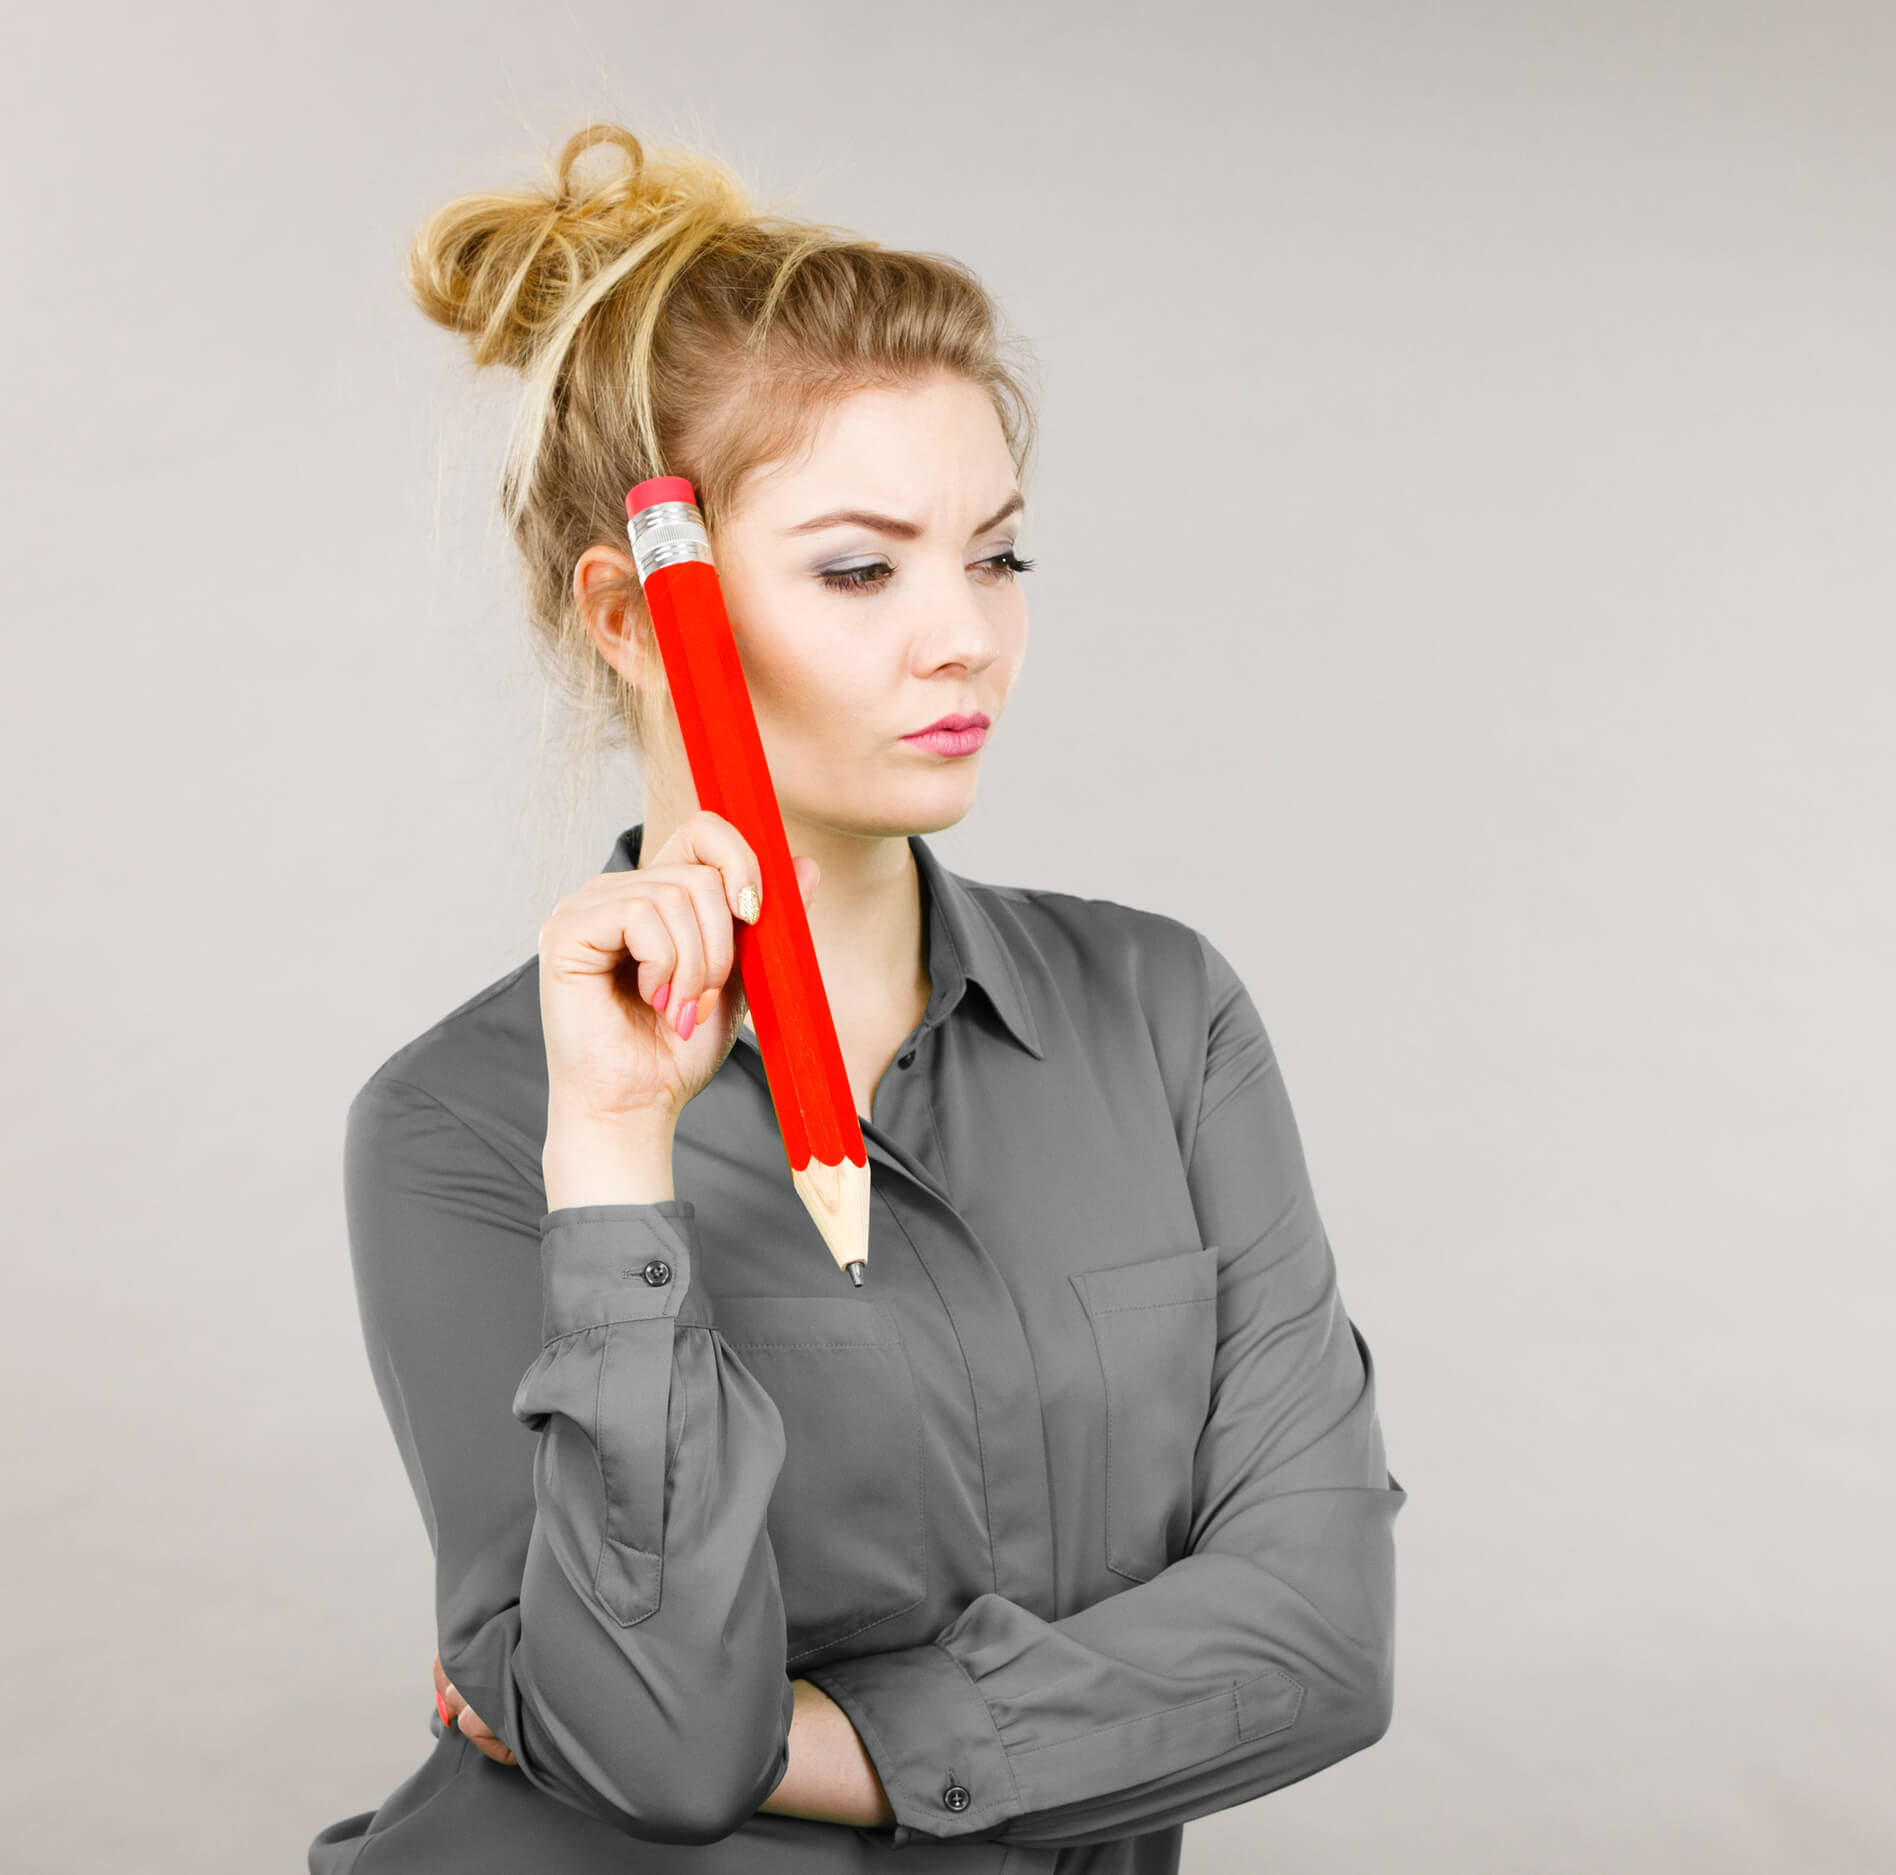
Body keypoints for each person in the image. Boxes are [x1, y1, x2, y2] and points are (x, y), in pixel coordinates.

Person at [306, 123, 1406, 1874]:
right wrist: (610, 1155)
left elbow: (1320, 1646)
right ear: (632, 611)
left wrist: (801, 1744)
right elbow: (655, 1760)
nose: (962, 634)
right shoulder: (458, 1126)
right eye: (860, 568)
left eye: (997, 555)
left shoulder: (1163, 1016)